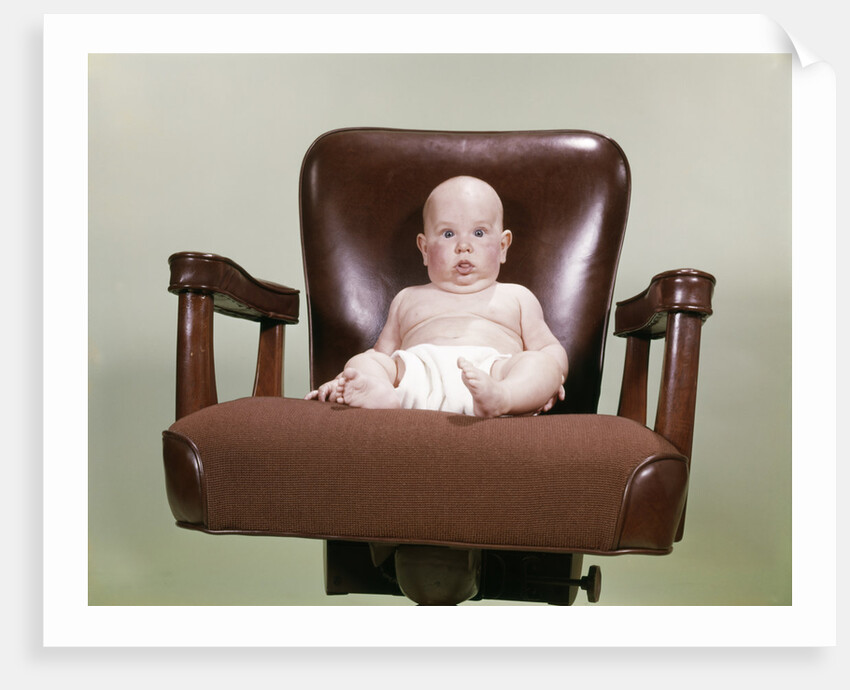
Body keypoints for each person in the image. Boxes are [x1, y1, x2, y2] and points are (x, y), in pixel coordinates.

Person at [304, 175, 569, 418]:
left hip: (493, 375)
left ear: (502, 246)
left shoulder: (517, 296)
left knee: (540, 362)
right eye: (448, 233)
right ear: (425, 249)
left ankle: (505, 398)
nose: (463, 246)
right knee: (366, 360)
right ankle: (381, 396)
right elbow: (382, 354)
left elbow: (549, 348)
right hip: (416, 376)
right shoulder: (407, 298)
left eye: (478, 233)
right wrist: (345, 379)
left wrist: (550, 378)